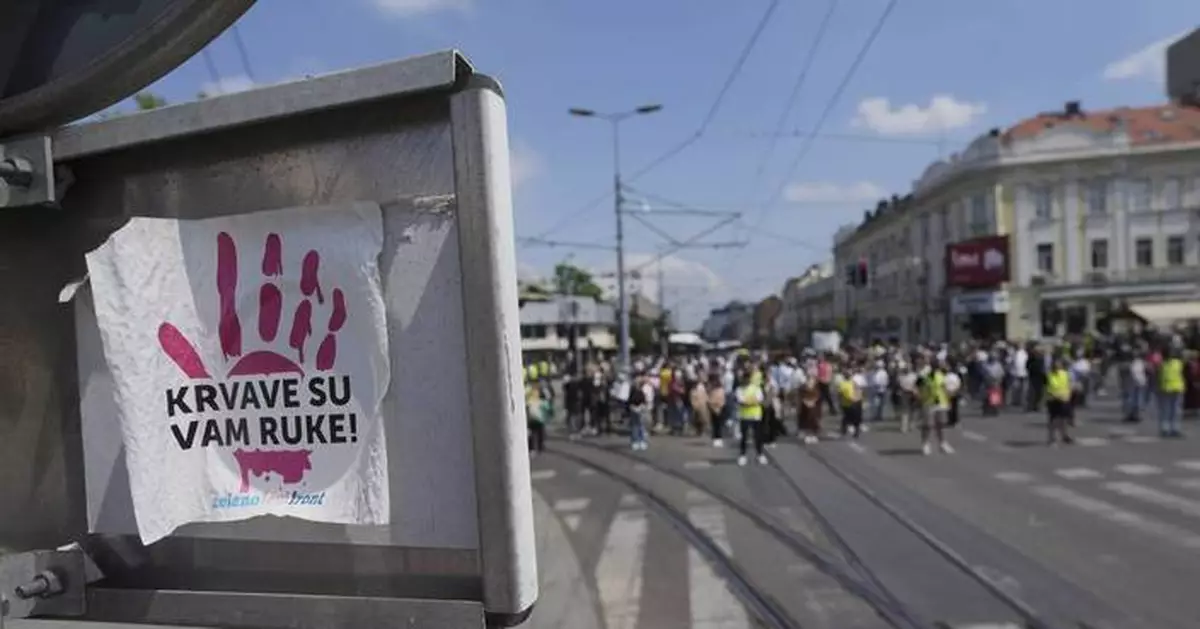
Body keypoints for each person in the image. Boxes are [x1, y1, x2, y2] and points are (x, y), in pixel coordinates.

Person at [918, 361, 954, 455]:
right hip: (929, 403)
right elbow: (919, 387)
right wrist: (920, 398)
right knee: (928, 425)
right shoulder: (925, 376)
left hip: (941, 402)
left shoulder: (942, 376)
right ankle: (925, 444)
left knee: (941, 424)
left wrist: (949, 400)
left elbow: (945, 388)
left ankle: (942, 443)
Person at [735, 372, 767, 466]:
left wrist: (748, 401)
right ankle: (742, 455)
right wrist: (752, 401)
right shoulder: (739, 389)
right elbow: (741, 401)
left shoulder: (756, 388)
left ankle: (760, 454)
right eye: (744, 378)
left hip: (756, 416)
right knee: (744, 437)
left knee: (758, 436)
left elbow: (759, 399)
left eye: (747, 378)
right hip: (744, 416)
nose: (746, 380)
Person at [1157, 349, 1186, 438]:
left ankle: (1165, 429)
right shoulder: (1178, 363)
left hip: (1166, 388)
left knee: (1166, 410)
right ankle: (1175, 429)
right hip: (1177, 388)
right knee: (1176, 410)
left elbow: (1158, 376)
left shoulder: (1162, 364)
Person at [1045, 358, 1074, 446]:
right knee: (1054, 420)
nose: (1057, 366)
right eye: (1055, 365)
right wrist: (1053, 395)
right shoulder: (1049, 375)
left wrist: (1069, 394)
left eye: (1058, 364)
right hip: (1053, 399)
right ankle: (1052, 438)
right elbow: (1048, 387)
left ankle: (1065, 435)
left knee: (1064, 419)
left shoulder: (1065, 374)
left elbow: (1069, 384)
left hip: (1064, 399)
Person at [838, 366, 864, 439]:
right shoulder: (843, 384)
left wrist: (858, 398)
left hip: (853, 403)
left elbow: (858, 390)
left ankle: (855, 430)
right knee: (848, 417)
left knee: (854, 417)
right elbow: (841, 394)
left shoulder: (852, 383)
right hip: (848, 403)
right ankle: (845, 428)